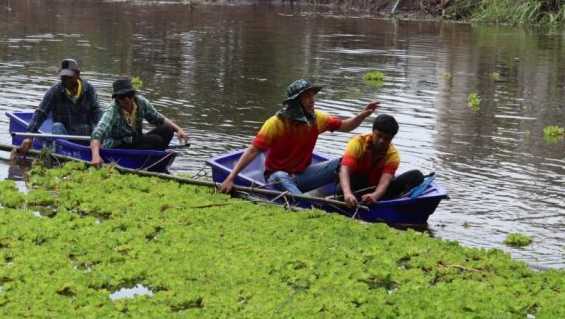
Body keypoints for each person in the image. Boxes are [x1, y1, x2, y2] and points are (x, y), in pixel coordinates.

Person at [219, 78, 380, 195]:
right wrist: (230, 178)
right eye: (307, 97)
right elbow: (253, 151)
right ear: (296, 102)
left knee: (341, 162)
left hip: (303, 176)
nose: (312, 101)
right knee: (281, 176)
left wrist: (363, 115)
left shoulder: (317, 119)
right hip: (276, 178)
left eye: (312, 96)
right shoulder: (276, 123)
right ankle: (306, 205)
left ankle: (347, 195)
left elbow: (345, 126)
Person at [90, 77, 189, 167]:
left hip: (135, 139)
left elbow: (159, 119)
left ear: (133, 94)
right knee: (154, 142)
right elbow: (97, 134)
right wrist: (95, 156)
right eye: (122, 96)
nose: (127, 99)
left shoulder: (141, 102)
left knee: (167, 129)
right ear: (116, 98)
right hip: (119, 144)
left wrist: (179, 130)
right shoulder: (112, 112)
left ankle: (155, 159)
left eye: (129, 95)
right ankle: (152, 162)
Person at [338, 114, 423, 208]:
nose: (381, 141)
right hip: (356, 188)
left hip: (378, 191)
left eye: (387, 138)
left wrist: (375, 195)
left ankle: (400, 203)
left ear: (392, 138)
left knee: (416, 175)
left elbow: (385, 182)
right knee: (340, 189)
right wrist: (347, 193)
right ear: (373, 132)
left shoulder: (393, 155)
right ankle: (353, 201)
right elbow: (344, 170)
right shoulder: (357, 143)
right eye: (378, 136)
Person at [18, 59, 101, 154]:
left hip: (85, 134)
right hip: (65, 134)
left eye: (69, 77)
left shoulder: (88, 89)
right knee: (56, 126)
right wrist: (29, 136)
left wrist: (103, 135)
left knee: (98, 129)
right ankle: (66, 152)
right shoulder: (55, 91)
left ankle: (94, 149)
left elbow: (97, 112)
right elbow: (41, 113)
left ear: (78, 74)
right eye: (63, 77)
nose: (66, 80)